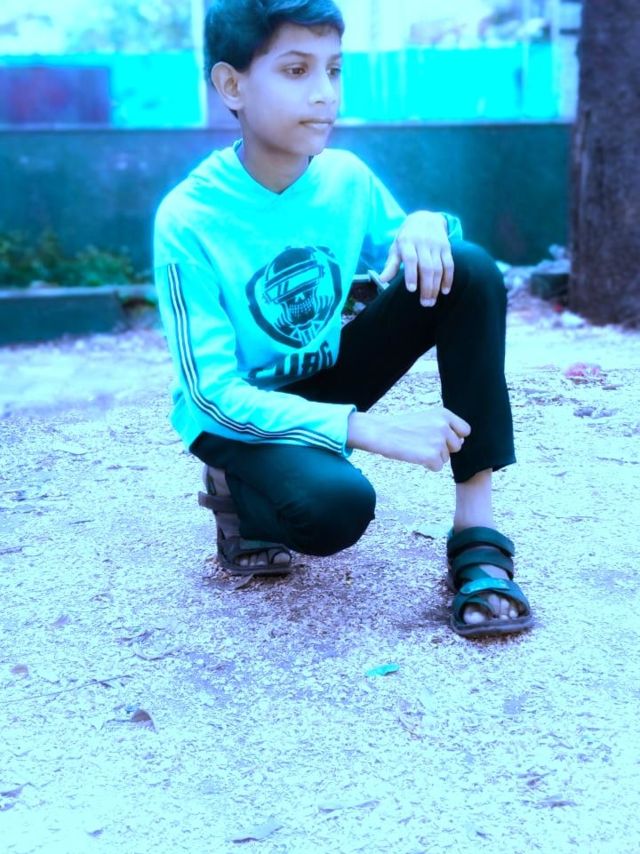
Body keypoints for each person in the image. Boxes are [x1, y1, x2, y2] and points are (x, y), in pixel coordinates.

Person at [153, 0, 533, 639]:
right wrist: (365, 429)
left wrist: (426, 223)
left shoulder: (345, 179)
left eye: (334, 70)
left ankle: (477, 537)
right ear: (232, 86)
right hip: (235, 417)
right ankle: (239, 495)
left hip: (322, 379)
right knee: (335, 507)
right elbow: (211, 393)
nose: (325, 94)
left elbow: (420, 255)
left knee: (465, 267)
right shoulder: (189, 219)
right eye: (296, 70)